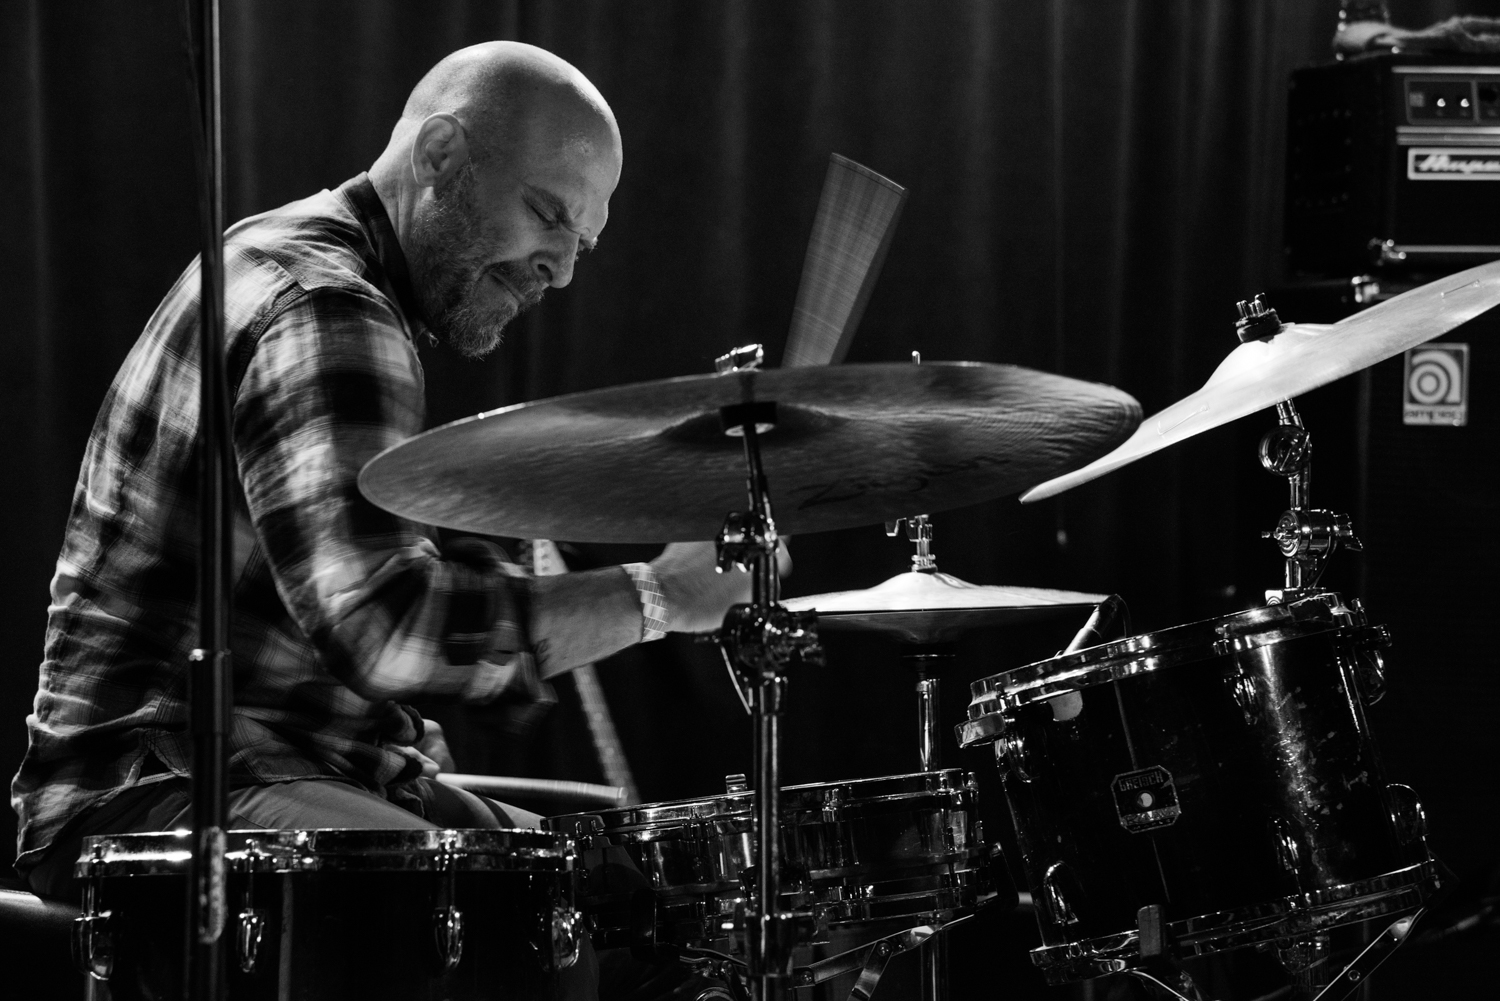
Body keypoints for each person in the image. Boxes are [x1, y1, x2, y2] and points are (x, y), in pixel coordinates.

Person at [10, 40, 767, 994]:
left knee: (639, 905)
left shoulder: (303, 260)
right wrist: (657, 595)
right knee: (535, 925)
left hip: (279, 767)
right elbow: (389, 627)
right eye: (545, 215)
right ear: (442, 155)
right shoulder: (327, 307)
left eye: (582, 241)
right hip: (155, 795)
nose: (561, 270)